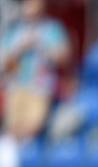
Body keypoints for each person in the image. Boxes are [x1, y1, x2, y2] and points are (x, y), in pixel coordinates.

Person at [0, 0, 70, 142]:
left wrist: (42, 46)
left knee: (32, 126)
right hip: (16, 87)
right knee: (12, 129)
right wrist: (20, 49)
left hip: (40, 88)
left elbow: (64, 58)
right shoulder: (13, 32)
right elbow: (5, 64)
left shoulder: (52, 29)